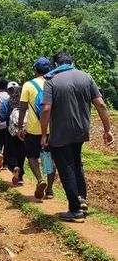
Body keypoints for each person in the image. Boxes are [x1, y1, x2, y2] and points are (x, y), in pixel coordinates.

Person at [41, 51, 114, 222]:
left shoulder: (51, 81)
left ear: (56, 65)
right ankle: (81, 198)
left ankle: (75, 210)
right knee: (76, 162)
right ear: (71, 62)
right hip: (81, 130)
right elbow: (101, 105)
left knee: (65, 167)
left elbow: (45, 109)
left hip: (60, 133)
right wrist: (107, 130)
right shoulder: (86, 77)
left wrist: (44, 134)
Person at [18, 57, 56, 200]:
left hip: (34, 129)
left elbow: (22, 107)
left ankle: (40, 180)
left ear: (35, 70)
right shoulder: (53, 83)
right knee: (50, 158)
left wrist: (20, 127)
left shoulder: (28, 85)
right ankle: (50, 190)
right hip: (51, 129)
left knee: (32, 156)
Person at [0, 82, 26, 185]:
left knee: (11, 152)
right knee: (22, 153)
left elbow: (2, 117)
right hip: (24, 132)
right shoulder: (26, 102)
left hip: (10, 131)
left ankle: (14, 167)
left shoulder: (7, 102)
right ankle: (20, 177)